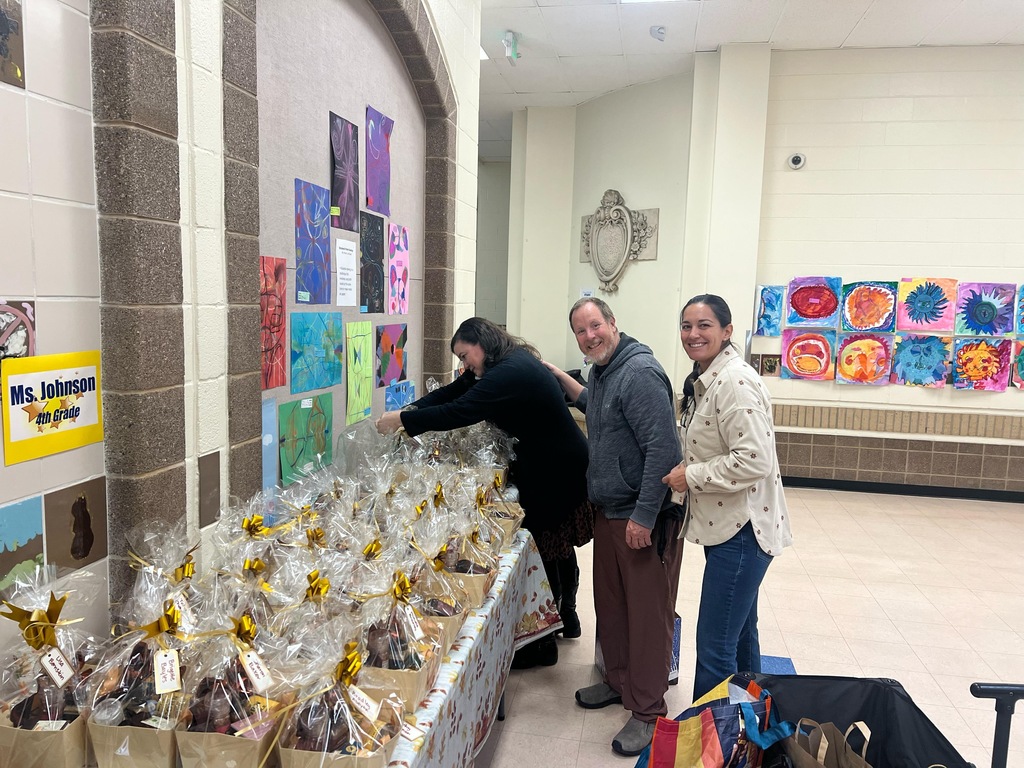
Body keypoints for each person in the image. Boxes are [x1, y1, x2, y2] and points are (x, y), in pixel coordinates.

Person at [375, 317, 592, 667]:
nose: (465, 364)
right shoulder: (504, 362)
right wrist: (408, 411)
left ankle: (543, 641)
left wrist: (403, 421)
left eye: (465, 355)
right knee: (556, 544)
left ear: (482, 342)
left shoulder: (508, 372)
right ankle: (566, 617)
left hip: (556, 468)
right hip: (553, 461)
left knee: (546, 545)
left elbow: (461, 410)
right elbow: (453, 392)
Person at [545, 298, 683, 757]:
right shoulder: (605, 372)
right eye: (580, 331)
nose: (589, 337)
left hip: (639, 517)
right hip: (609, 512)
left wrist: (644, 515)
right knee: (613, 607)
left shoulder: (639, 372)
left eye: (595, 326)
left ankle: (648, 711)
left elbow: (663, 450)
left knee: (646, 618)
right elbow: (596, 406)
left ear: (612, 323)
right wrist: (559, 376)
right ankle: (619, 681)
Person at [662, 294, 793, 702]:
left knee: (716, 646)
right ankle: (750, 723)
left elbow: (753, 459)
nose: (693, 334)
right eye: (687, 326)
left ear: (727, 331)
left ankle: (708, 733)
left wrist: (690, 476)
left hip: (742, 532)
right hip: (729, 528)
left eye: (704, 325)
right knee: (740, 639)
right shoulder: (708, 378)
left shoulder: (734, 382)